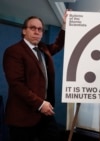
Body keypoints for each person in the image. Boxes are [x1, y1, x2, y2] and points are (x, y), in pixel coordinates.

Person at [3, 11, 68, 141]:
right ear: (24, 31)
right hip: (22, 116)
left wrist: (64, 27)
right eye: (32, 28)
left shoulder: (43, 48)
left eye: (40, 29)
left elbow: (57, 45)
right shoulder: (13, 51)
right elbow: (17, 84)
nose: (37, 31)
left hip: (45, 113)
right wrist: (40, 104)